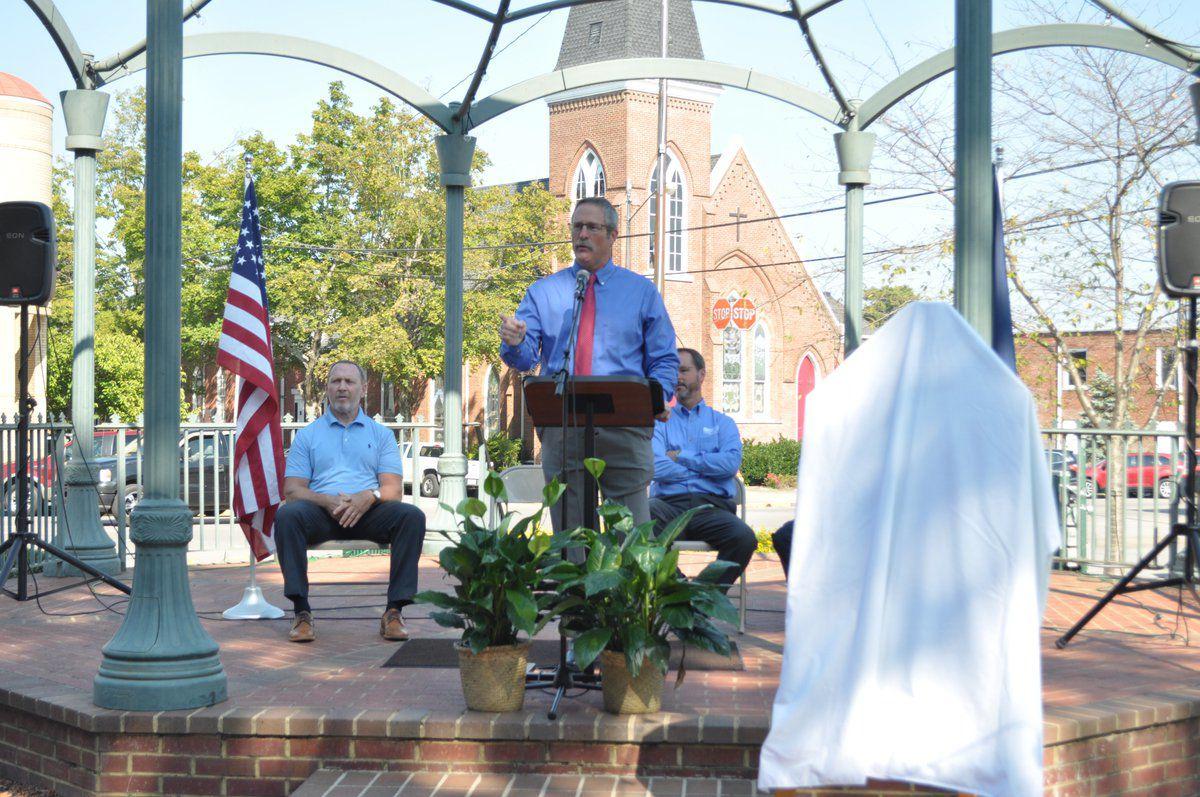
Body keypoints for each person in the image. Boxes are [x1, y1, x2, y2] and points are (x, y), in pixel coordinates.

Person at [499, 196, 677, 531]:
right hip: (563, 427)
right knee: (571, 539)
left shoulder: (641, 292)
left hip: (624, 428)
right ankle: (573, 585)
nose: (582, 234)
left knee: (630, 535)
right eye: (577, 227)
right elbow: (525, 360)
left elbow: (664, 359)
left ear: (612, 236)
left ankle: (627, 585)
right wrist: (516, 341)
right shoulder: (544, 292)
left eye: (592, 227)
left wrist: (656, 399)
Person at [275, 360, 426, 643]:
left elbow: (393, 489)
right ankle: (301, 612)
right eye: (336, 381)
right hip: (322, 514)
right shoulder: (308, 436)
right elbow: (293, 490)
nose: (342, 387)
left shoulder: (381, 435)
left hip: (368, 513)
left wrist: (369, 496)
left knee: (411, 516)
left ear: (363, 389)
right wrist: (327, 501)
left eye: (349, 381)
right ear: (327, 389)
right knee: (287, 516)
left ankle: (394, 611)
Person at [649, 348, 756, 586]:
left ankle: (704, 597)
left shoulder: (723, 423)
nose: (677, 377)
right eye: (674, 371)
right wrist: (706, 468)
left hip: (711, 509)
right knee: (639, 524)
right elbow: (655, 466)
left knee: (744, 538)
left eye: (684, 370)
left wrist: (681, 456)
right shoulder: (660, 423)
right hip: (668, 507)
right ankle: (682, 596)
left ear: (701, 375)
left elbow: (729, 464)